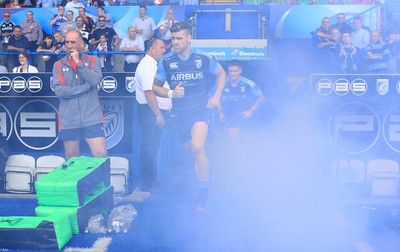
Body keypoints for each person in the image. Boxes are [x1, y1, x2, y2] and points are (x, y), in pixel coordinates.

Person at [152, 22, 226, 212]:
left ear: (188, 38)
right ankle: (208, 178)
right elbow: (155, 87)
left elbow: (221, 74)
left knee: (197, 147)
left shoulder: (203, 58)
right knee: (193, 154)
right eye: (172, 39)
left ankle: (203, 199)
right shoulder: (166, 61)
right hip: (179, 116)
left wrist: (216, 96)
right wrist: (170, 94)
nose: (174, 42)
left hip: (200, 112)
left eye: (178, 38)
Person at [51, 30, 107, 160]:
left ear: (81, 44)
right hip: (69, 119)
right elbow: (59, 91)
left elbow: (94, 80)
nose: (69, 45)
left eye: (73, 42)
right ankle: (76, 182)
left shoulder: (93, 61)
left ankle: (101, 181)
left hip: (92, 117)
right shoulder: (58, 65)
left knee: (101, 155)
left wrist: (79, 63)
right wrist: (85, 88)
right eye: (67, 42)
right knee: (71, 158)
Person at [127, 38, 171, 198]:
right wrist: (158, 115)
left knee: (152, 147)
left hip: (154, 111)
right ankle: (148, 183)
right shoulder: (147, 66)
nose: (163, 50)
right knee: (150, 148)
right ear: (151, 49)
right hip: (150, 112)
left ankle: (152, 181)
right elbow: (148, 92)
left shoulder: (152, 64)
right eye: (160, 47)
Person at [219, 60, 265, 140]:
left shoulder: (248, 83)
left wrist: (251, 110)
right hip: (226, 117)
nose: (233, 73)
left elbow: (262, 98)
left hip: (244, 116)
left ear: (240, 71)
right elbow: (214, 98)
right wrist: (219, 112)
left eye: (235, 71)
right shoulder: (222, 83)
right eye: (230, 71)